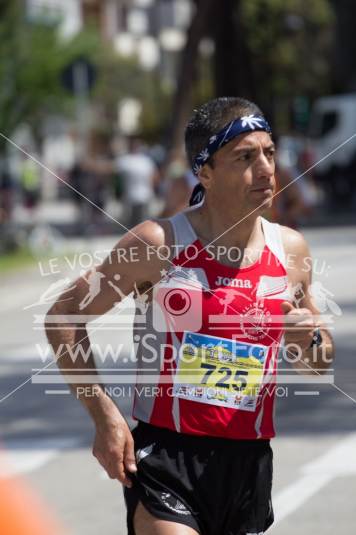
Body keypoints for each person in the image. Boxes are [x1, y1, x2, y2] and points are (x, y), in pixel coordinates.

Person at [46, 97, 335, 535]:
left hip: (249, 464)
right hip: (168, 457)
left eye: (270, 153)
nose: (266, 169)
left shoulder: (290, 250)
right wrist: (103, 413)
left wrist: (308, 343)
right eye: (245, 157)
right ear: (205, 172)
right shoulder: (159, 244)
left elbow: (319, 363)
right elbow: (63, 316)